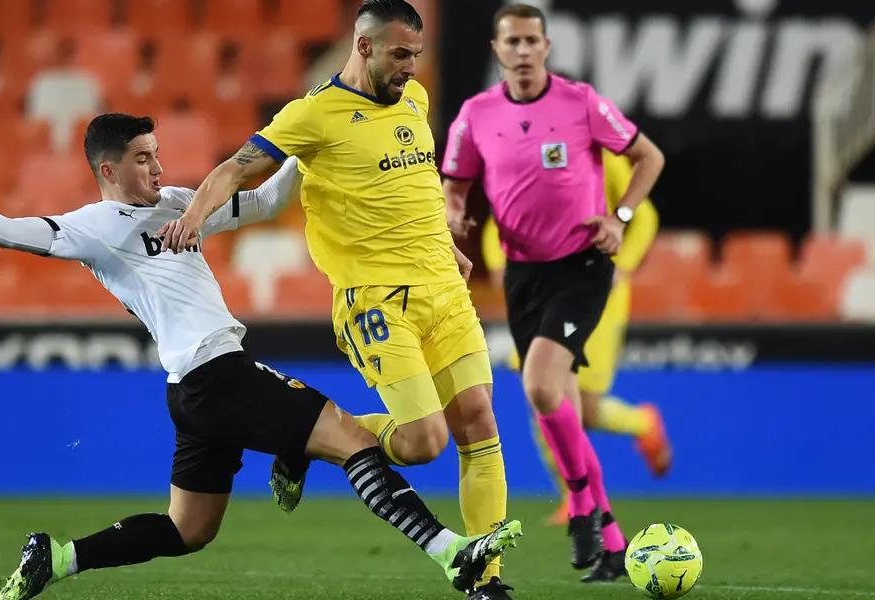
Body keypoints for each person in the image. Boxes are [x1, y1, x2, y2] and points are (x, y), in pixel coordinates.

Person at [0, 113, 522, 600]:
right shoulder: (94, 229)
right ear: (107, 170)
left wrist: (312, 135)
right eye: (141, 159)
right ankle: (448, 551)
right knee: (351, 437)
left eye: (157, 155)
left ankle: (58, 557)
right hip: (219, 374)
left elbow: (268, 201)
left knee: (188, 530)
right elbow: (11, 232)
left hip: (190, 394)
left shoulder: (175, 206)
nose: (157, 169)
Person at [158, 3, 513, 597]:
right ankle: (310, 443)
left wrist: (445, 245)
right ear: (364, 46)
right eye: (400, 55)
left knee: (477, 421)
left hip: (444, 290)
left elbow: (415, 184)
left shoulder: (416, 103)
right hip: (375, 300)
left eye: (416, 57)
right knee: (424, 443)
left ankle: (487, 580)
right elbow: (234, 170)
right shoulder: (313, 114)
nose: (410, 69)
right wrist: (193, 216)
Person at [440, 3, 666, 583]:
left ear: (545, 46)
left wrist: (619, 215)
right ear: (496, 50)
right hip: (523, 274)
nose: (521, 51)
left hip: (582, 265)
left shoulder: (580, 102)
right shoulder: (475, 115)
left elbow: (649, 157)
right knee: (558, 402)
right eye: (510, 41)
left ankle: (582, 507)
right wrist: (455, 214)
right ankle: (612, 543)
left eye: (530, 41)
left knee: (542, 386)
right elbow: (456, 186)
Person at [457, 149, 672, 525]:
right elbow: (498, 225)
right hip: (540, 293)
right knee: (541, 393)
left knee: (583, 408)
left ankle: (642, 423)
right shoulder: (524, 156)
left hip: (596, 292)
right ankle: (573, 498)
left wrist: (623, 263)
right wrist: (499, 265)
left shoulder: (601, 155)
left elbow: (645, 215)